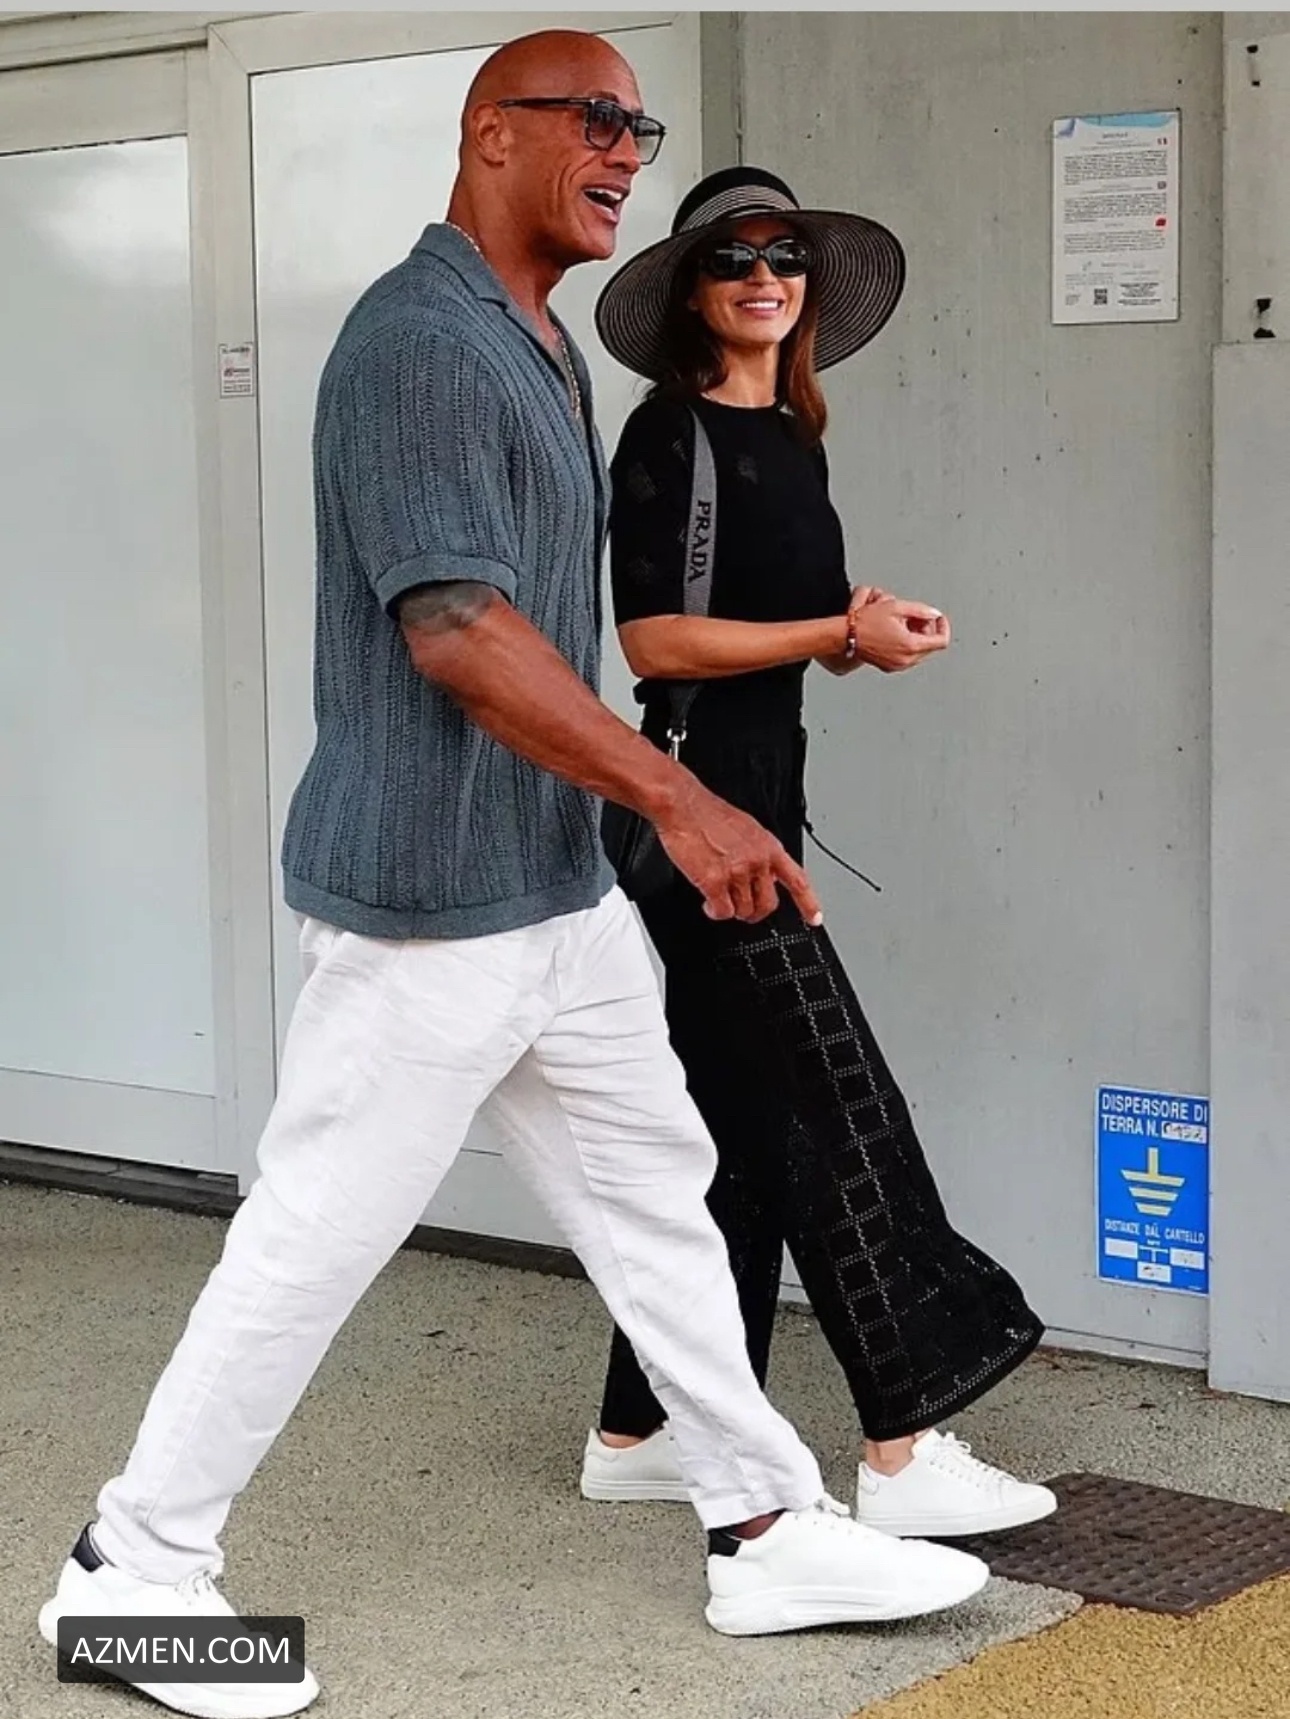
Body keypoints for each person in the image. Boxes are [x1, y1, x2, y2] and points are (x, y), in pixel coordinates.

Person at [37, 39, 991, 1719]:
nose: (626, 150)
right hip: (433, 903)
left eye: (639, 124)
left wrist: (631, 817)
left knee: (659, 1191)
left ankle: (763, 1522)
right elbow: (459, 627)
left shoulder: (535, 344)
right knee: (318, 1235)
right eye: (593, 120)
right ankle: (130, 1574)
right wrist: (681, 802)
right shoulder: (419, 342)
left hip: (551, 888)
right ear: (493, 135)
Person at [580, 167, 1056, 1542]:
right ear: (693, 289)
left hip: (760, 803)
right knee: (837, 1112)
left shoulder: (792, 435)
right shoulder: (670, 432)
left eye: (785, 255)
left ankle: (642, 1431)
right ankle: (902, 1451)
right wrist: (830, 633)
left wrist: (861, 629)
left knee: (737, 1139)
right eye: (734, 257)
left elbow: (772, 629)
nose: (764, 277)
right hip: (698, 817)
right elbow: (654, 641)